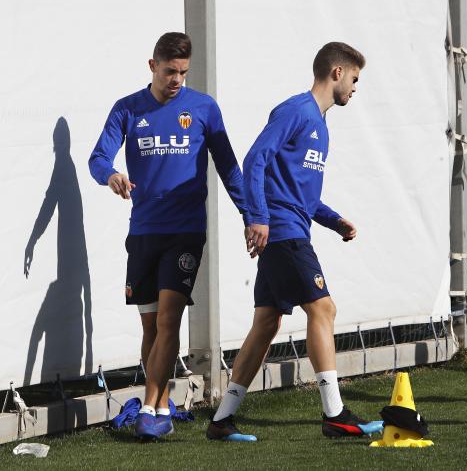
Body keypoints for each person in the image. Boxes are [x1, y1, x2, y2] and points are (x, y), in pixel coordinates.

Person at [206, 42, 383, 441]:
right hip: (282, 233)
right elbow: (255, 160)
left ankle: (221, 420)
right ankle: (335, 414)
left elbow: (302, 196)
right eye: (355, 79)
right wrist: (256, 217)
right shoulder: (296, 111)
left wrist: (335, 221)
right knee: (324, 308)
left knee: (266, 323)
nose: (356, 88)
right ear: (337, 73)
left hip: (290, 229)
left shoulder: (320, 125)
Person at [89, 32, 250, 439]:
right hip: (143, 232)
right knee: (150, 328)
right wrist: (111, 176)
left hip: (185, 231)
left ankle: (148, 409)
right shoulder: (127, 109)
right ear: (152, 66)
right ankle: (162, 404)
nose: (176, 79)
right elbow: (97, 157)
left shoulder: (203, 108)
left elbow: (229, 166)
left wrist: (252, 214)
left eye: (183, 72)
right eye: (169, 71)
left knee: (168, 318)